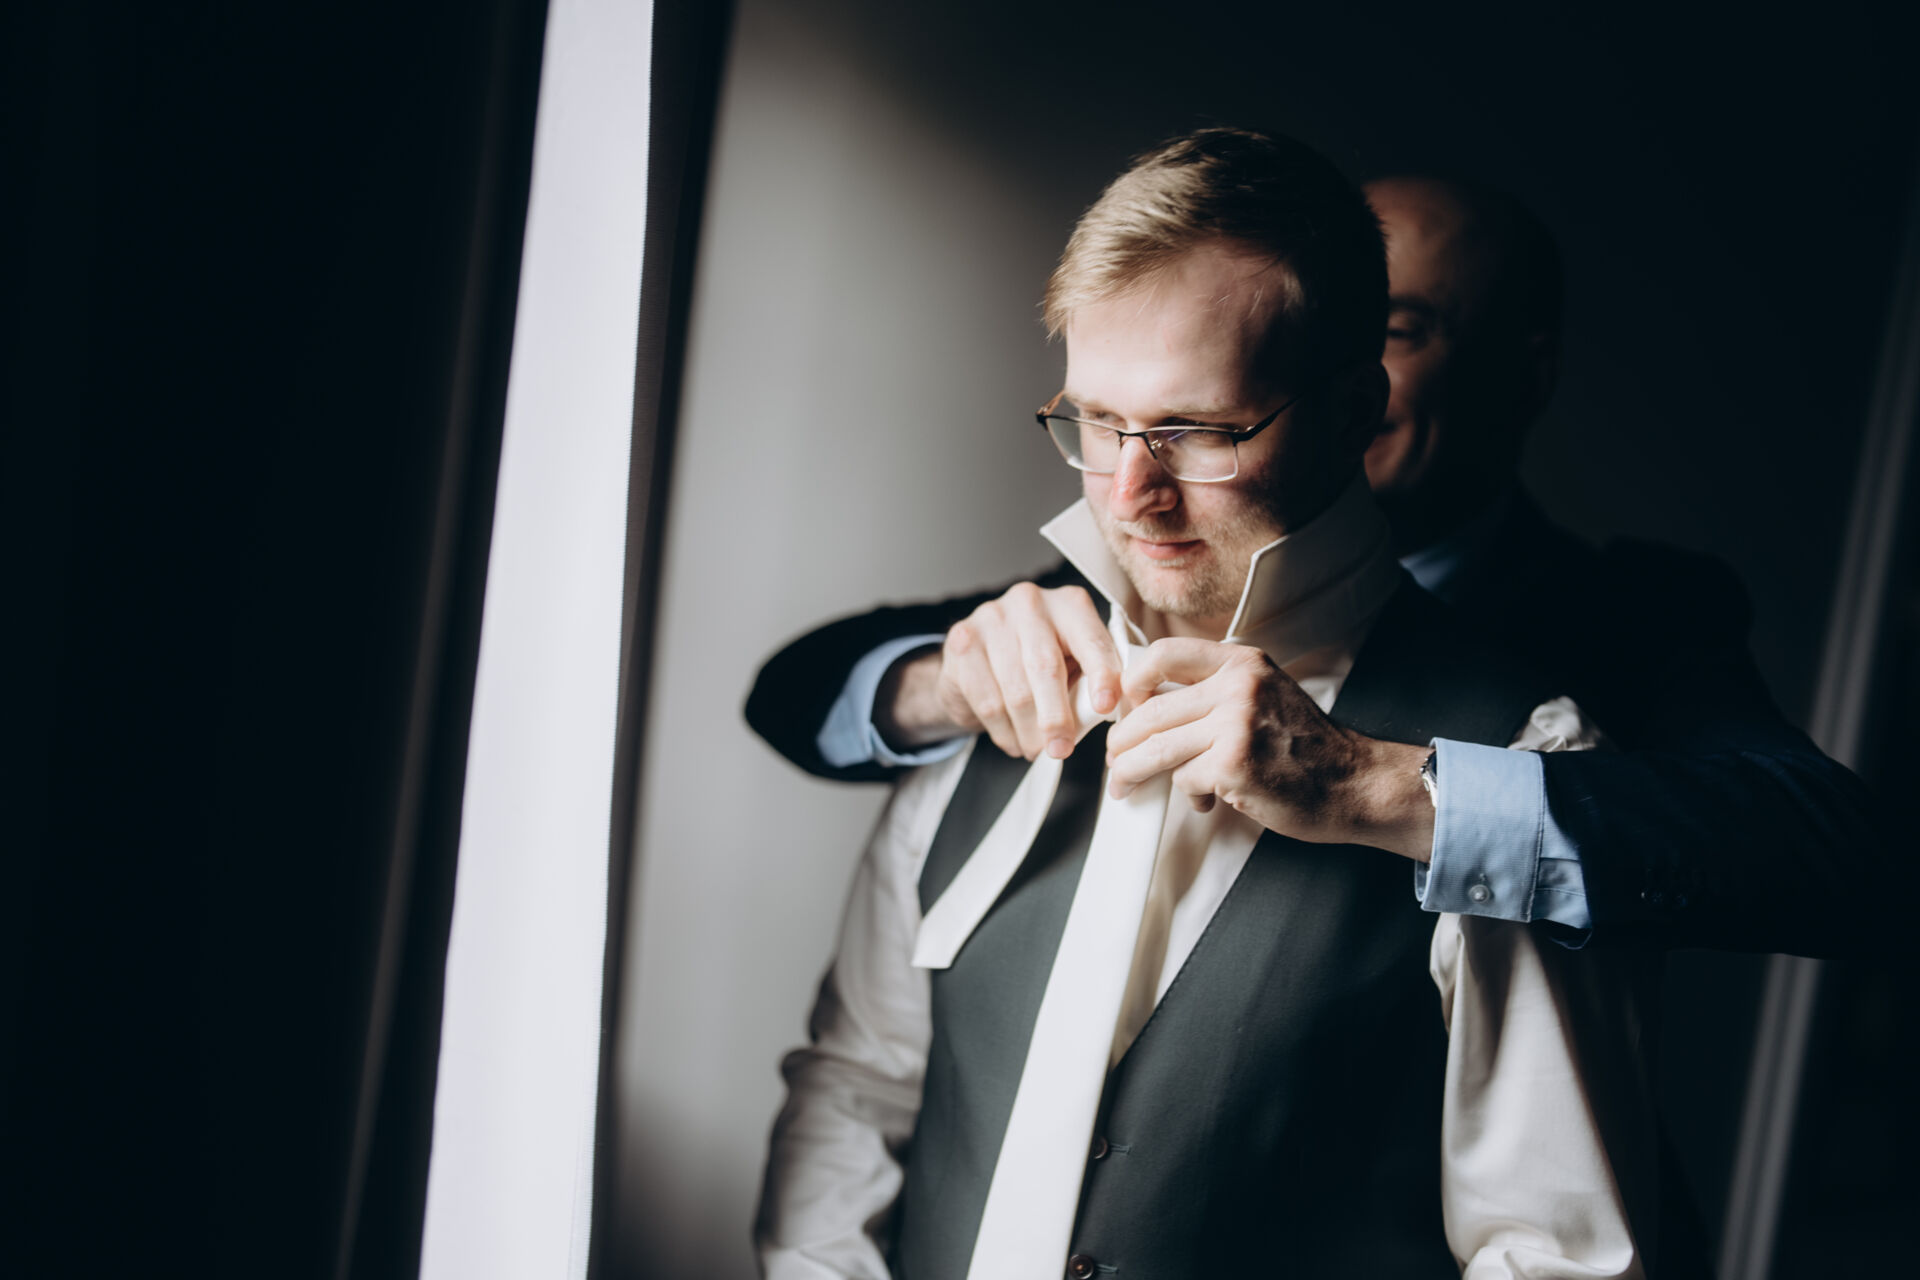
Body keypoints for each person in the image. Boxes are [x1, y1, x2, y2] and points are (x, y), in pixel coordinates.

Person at [756, 128, 1667, 1280]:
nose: (1131, 492)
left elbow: (1557, 1256)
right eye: (1096, 421)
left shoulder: (1517, 764)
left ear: (1354, 410)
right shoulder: (994, 672)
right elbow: (858, 1088)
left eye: (1198, 430)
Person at [744, 175, 1880, 958]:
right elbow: (793, 694)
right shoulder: (1152, 541)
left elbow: (1832, 862)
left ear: (1520, 377)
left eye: (1400, 326)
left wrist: (1374, 783)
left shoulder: (1634, 611)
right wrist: (949, 681)